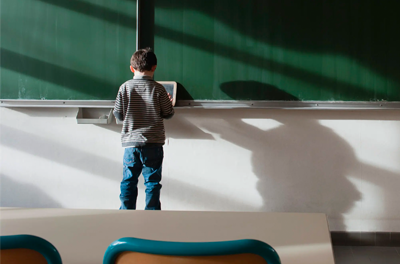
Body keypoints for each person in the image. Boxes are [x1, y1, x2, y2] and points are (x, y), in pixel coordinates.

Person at [113, 47, 174, 210]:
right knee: (152, 182)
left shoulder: (124, 87)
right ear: (154, 67)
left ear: (132, 68)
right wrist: (167, 102)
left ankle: (126, 211)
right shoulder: (160, 89)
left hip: (131, 144)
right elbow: (168, 114)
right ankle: (152, 213)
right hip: (153, 143)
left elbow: (118, 115)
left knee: (129, 180)